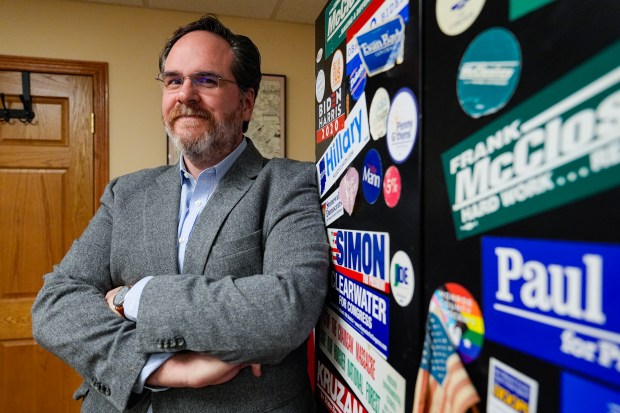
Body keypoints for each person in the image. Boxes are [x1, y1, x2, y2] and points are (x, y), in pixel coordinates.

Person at [31, 14, 329, 413]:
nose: (185, 94)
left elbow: (286, 308)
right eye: (173, 80)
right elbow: (55, 304)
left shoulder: (289, 183)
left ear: (246, 102)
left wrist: (132, 297)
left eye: (207, 80)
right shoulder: (127, 192)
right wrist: (161, 368)